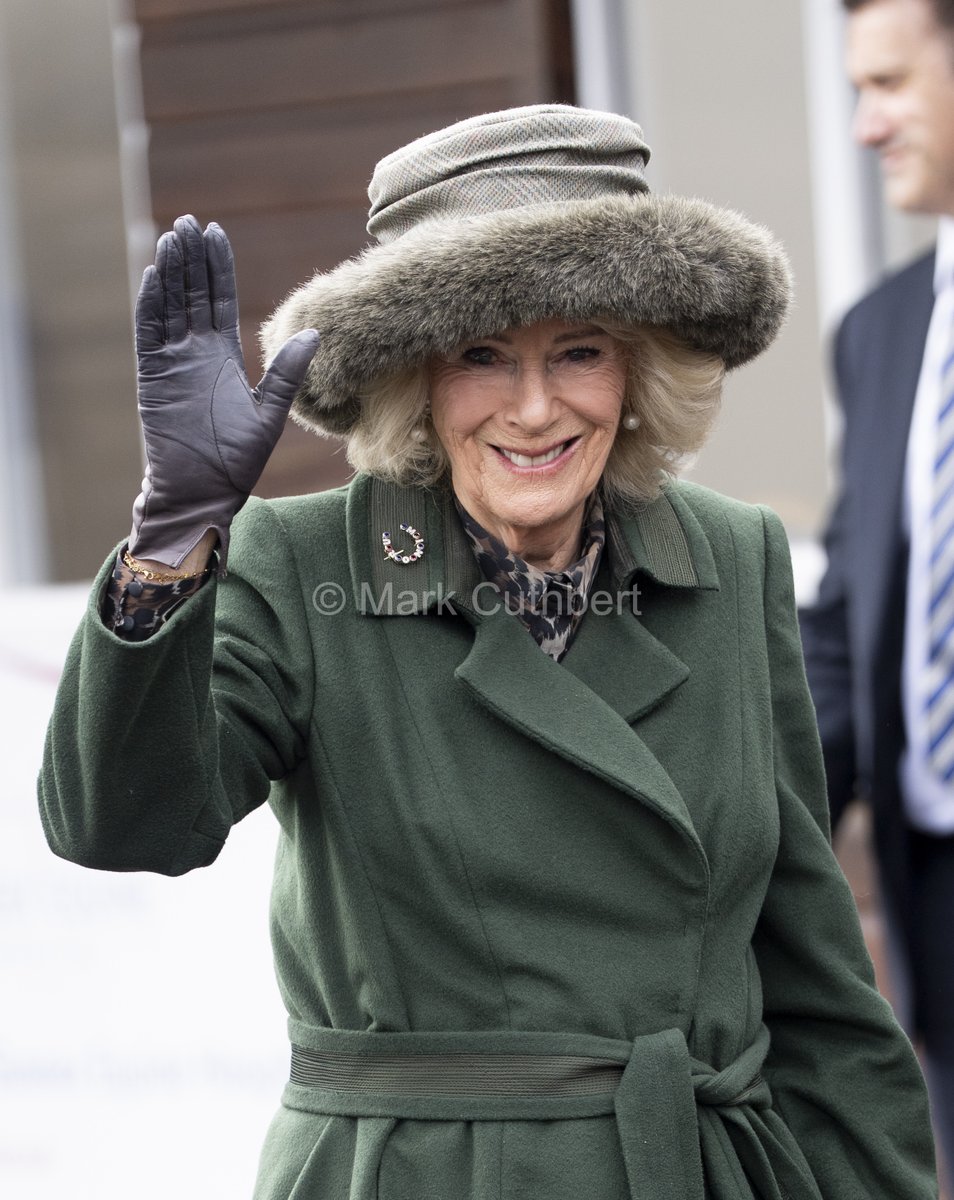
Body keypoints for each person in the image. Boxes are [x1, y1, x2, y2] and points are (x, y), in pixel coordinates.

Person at [39, 104, 936, 1200]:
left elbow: (816, 982)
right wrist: (173, 543)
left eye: (579, 351)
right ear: (415, 376)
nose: (534, 407)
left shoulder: (730, 556)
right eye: (481, 354)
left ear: (637, 366)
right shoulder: (303, 563)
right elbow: (124, 823)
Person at [800, 0, 954, 1178]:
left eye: (890, 83)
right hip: (932, 902)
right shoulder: (880, 332)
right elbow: (851, 630)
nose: (864, 125)